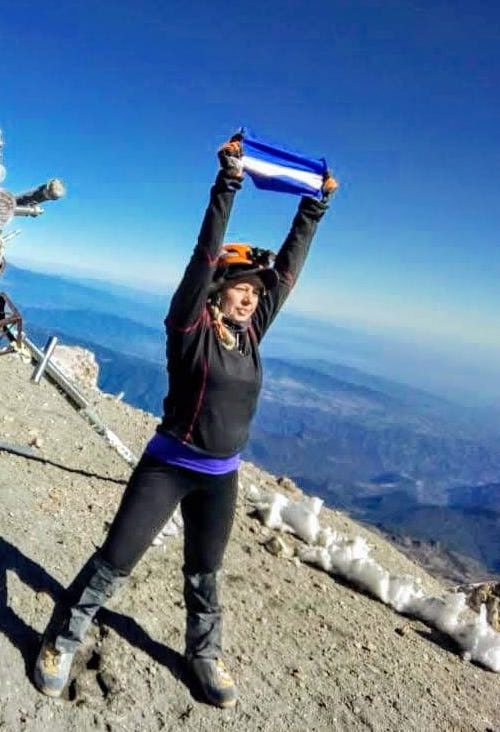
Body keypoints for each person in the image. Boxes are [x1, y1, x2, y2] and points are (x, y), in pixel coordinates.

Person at [34, 137, 338, 708]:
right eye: (240, 289)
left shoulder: (251, 334)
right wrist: (228, 184)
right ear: (217, 293)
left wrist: (313, 208)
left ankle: (203, 654)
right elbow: (204, 254)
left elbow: (288, 271)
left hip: (222, 476)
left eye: (255, 293)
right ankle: (62, 638)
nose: (250, 299)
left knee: (205, 571)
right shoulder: (189, 328)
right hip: (169, 466)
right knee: (116, 559)